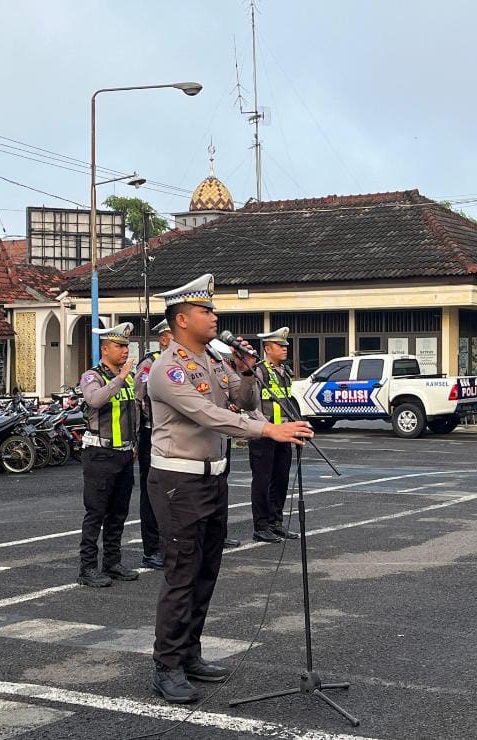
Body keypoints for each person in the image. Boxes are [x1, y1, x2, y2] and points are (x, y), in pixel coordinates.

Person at [146, 273, 314, 704]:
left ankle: (190, 653)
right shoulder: (169, 368)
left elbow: (241, 403)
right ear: (182, 319)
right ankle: (167, 665)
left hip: (213, 476)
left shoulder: (214, 360)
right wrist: (268, 431)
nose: (214, 317)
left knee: (206, 570)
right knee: (181, 573)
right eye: (206, 311)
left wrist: (246, 372)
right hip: (178, 481)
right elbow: (209, 415)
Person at [77, 322, 140, 588]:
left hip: (124, 454)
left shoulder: (128, 378)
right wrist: (120, 377)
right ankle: (87, 568)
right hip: (100, 453)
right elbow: (95, 400)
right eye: (119, 346)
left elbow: (135, 411)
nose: (124, 351)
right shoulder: (93, 376)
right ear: (105, 349)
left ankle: (112, 562)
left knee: (118, 512)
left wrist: (135, 443)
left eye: (126, 346)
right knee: (96, 513)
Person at [248, 327, 299, 543]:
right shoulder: (258, 372)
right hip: (264, 435)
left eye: (286, 345)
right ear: (268, 349)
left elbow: (287, 403)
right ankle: (261, 525)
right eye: (280, 346)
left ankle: (275, 521)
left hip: (283, 434)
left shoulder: (285, 372)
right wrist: (266, 428)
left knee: (281, 479)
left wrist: (296, 427)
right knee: (262, 480)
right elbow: (251, 405)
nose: (285, 349)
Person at [134, 318, 172, 569]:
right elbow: (140, 399)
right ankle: (151, 549)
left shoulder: (180, 362)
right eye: (172, 334)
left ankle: (168, 545)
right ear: (163, 338)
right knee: (152, 494)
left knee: (172, 494)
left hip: (173, 435)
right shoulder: (150, 363)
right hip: (152, 433)